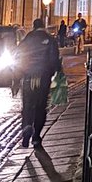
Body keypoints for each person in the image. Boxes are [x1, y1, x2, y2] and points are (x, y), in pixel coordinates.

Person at [17, 17, 61, 148]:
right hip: (43, 77)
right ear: (44, 26)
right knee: (41, 107)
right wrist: (55, 71)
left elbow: (18, 55)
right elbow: (54, 59)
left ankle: (26, 128)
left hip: (28, 76)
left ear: (33, 26)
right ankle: (36, 137)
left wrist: (20, 73)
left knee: (27, 105)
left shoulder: (27, 39)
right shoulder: (50, 39)